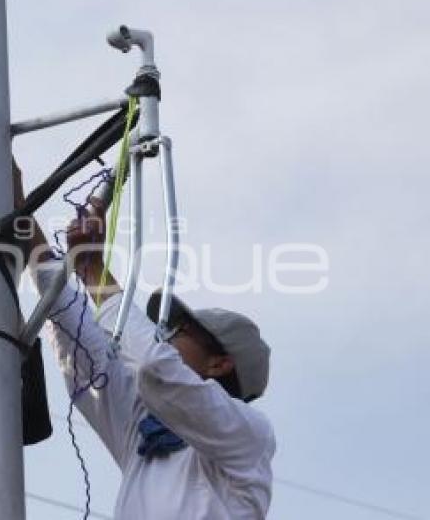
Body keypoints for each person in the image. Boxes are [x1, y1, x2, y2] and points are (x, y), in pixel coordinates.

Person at [15, 163, 276, 519]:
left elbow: (156, 367)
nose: (163, 336)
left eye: (177, 331)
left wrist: (94, 269)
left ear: (219, 364)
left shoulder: (249, 435)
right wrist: (17, 202)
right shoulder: (146, 432)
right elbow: (73, 326)